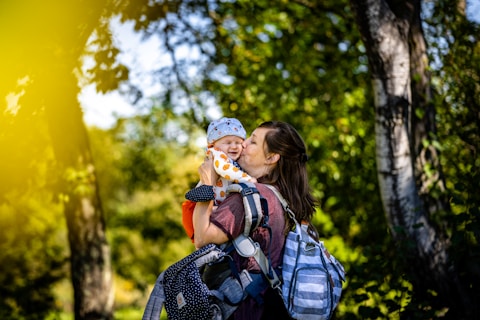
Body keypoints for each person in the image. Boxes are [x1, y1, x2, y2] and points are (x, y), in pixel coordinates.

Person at [192, 121, 318, 320]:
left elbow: (201, 237)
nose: (242, 145)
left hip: (243, 310)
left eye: (252, 141)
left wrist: (207, 183)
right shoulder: (282, 198)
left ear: (271, 157)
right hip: (266, 307)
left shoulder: (249, 196)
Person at [182, 117, 255, 242]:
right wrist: (247, 179)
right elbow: (225, 169)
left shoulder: (232, 159)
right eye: (228, 142)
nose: (234, 146)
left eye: (238, 142)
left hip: (217, 202)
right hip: (207, 200)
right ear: (213, 144)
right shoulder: (217, 155)